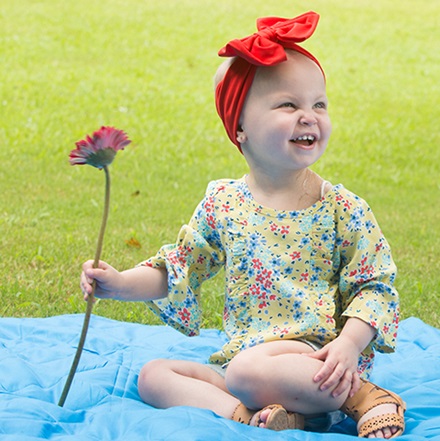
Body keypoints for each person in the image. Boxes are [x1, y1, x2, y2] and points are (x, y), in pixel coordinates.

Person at [79, 11, 405, 439]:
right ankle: (248, 416)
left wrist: (347, 347)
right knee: (154, 375)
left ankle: (364, 396)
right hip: (243, 369)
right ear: (240, 128)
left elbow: (375, 287)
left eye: (319, 104)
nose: (309, 115)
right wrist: (119, 283)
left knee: (248, 369)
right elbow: (181, 267)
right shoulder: (225, 203)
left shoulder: (341, 209)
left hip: (319, 361)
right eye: (289, 104)